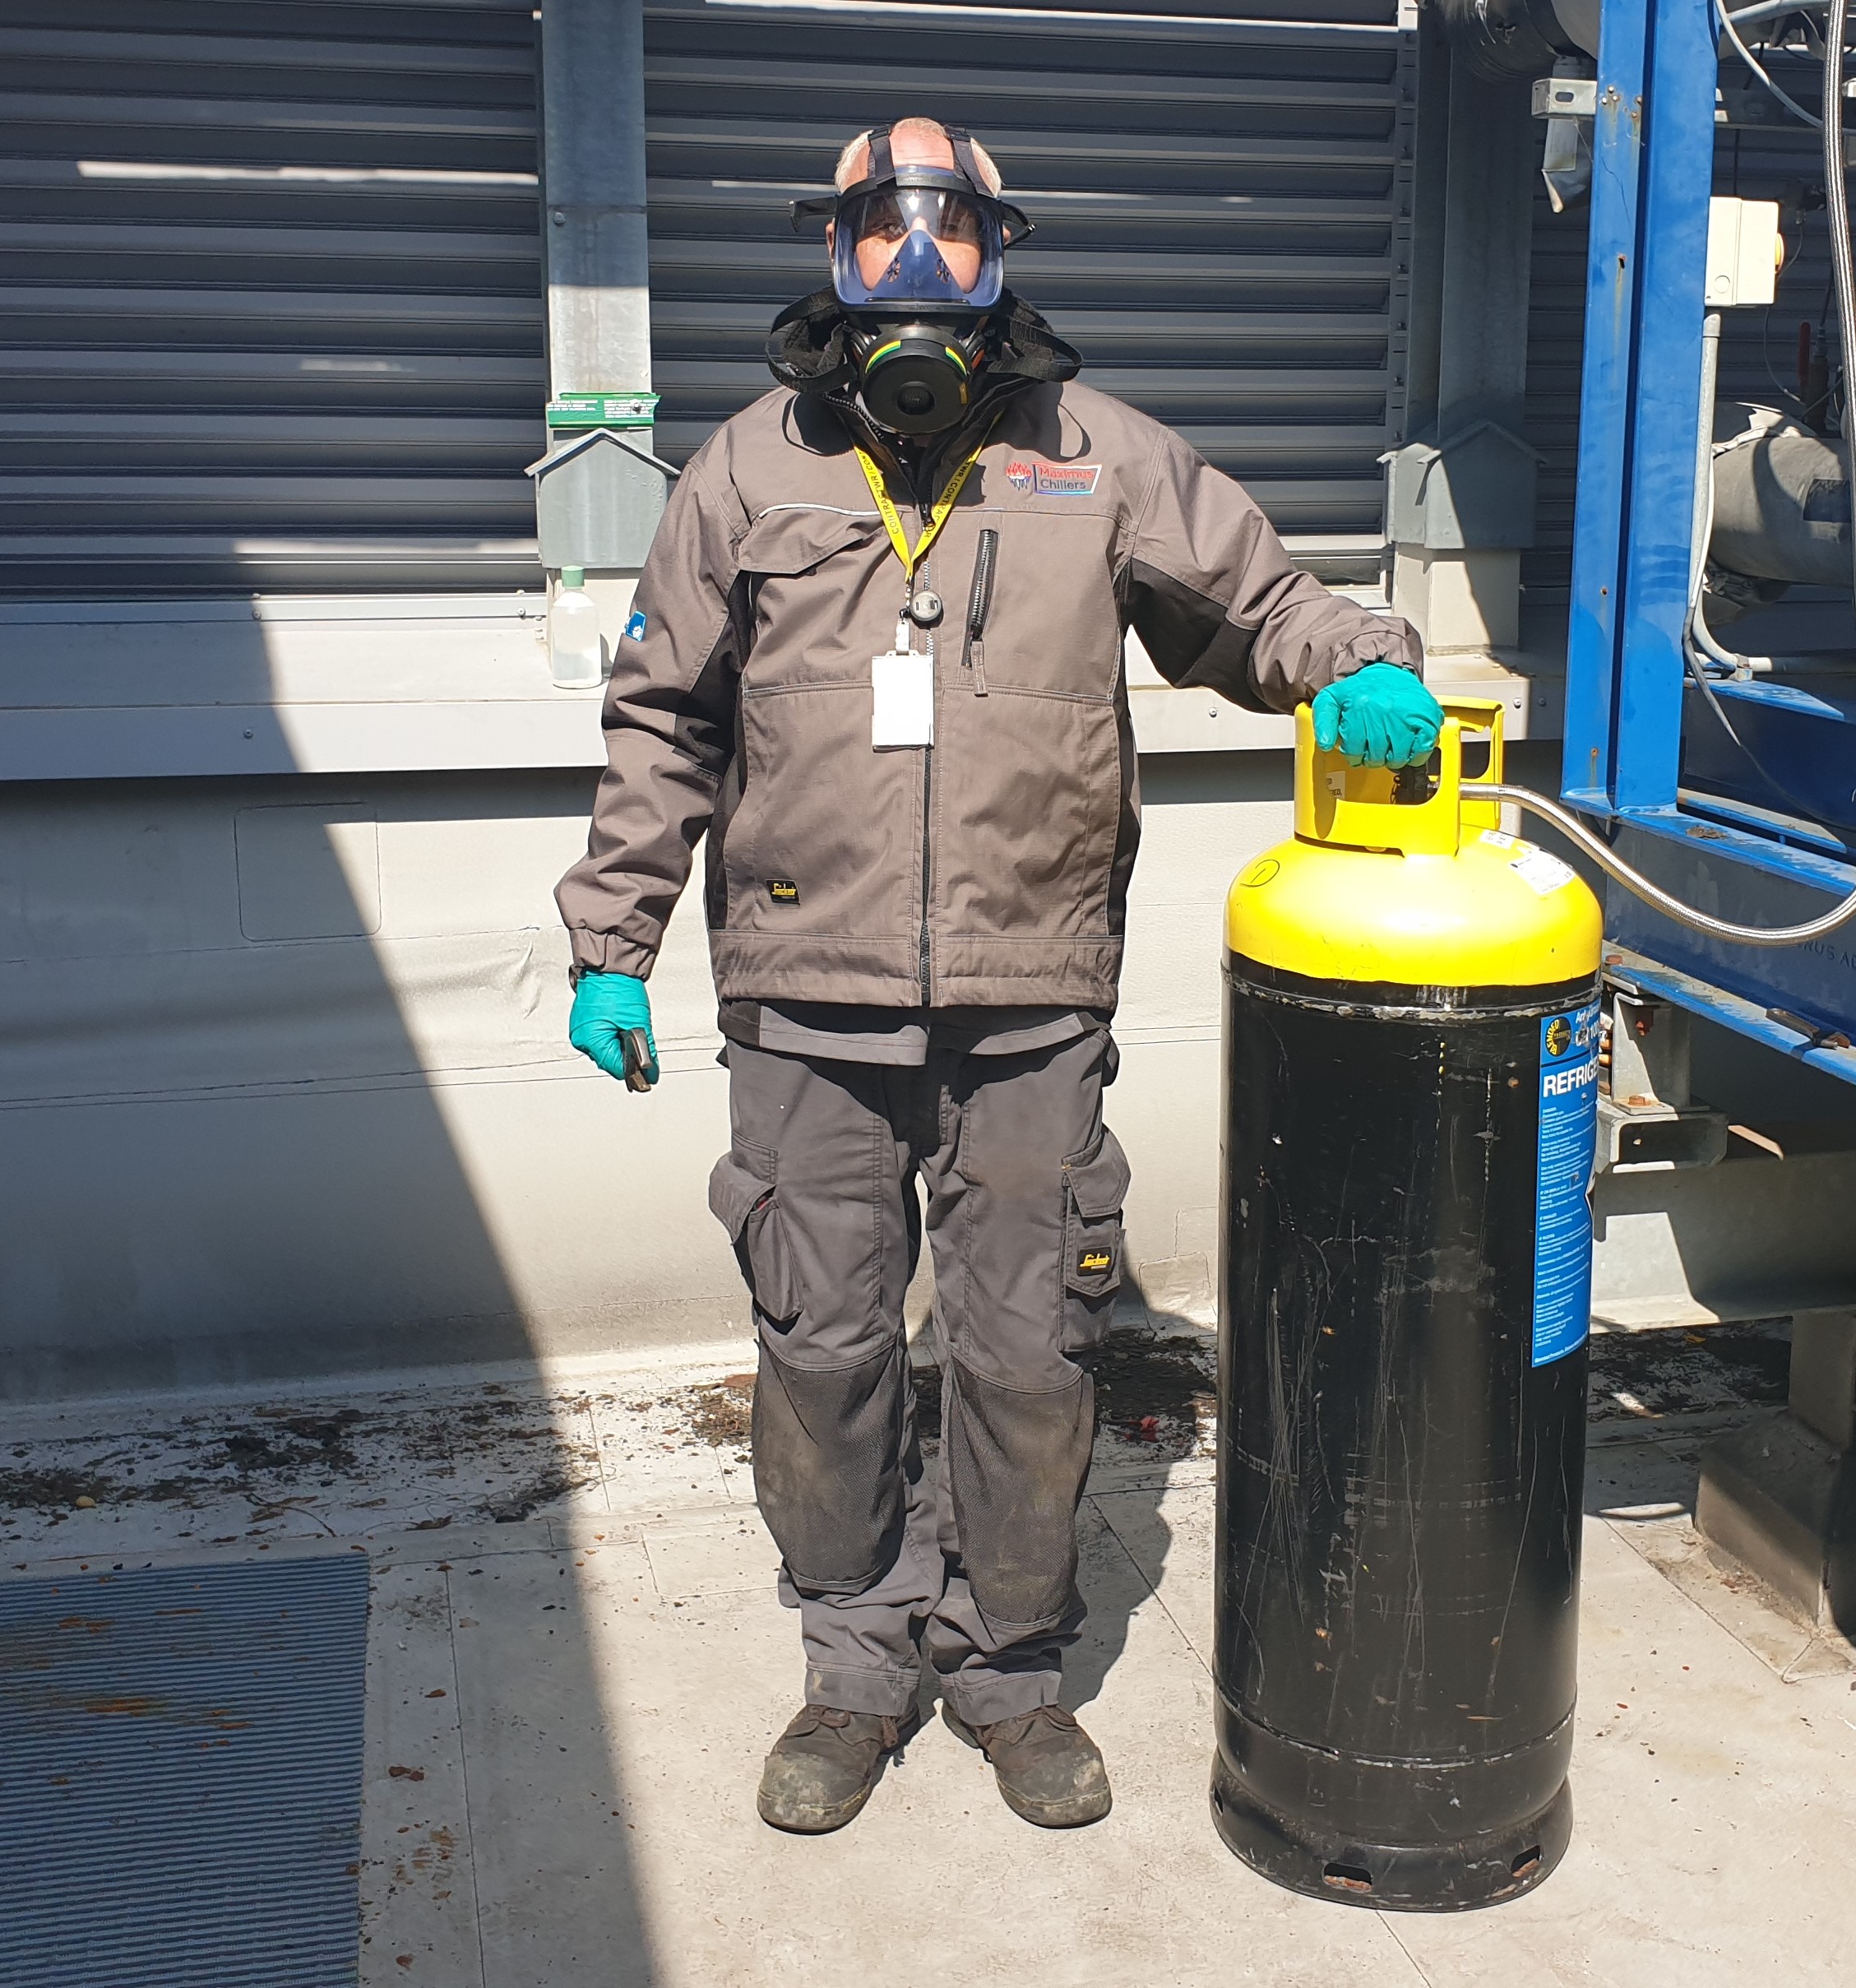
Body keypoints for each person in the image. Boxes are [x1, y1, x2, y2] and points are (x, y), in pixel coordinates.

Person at [553, 118, 1444, 1835]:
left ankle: (1009, 1669)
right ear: (830, 252)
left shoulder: (1091, 455)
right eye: (879, 228)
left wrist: (1359, 665)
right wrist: (612, 940)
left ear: (997, 252)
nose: (912, 262)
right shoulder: (746, 470)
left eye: (949, 229)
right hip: (803, 989)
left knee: (1032, 1346)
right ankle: (859, 1662)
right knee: (821, 1341)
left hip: (1033, 992)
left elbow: (1261, 599)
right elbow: (660, 718)